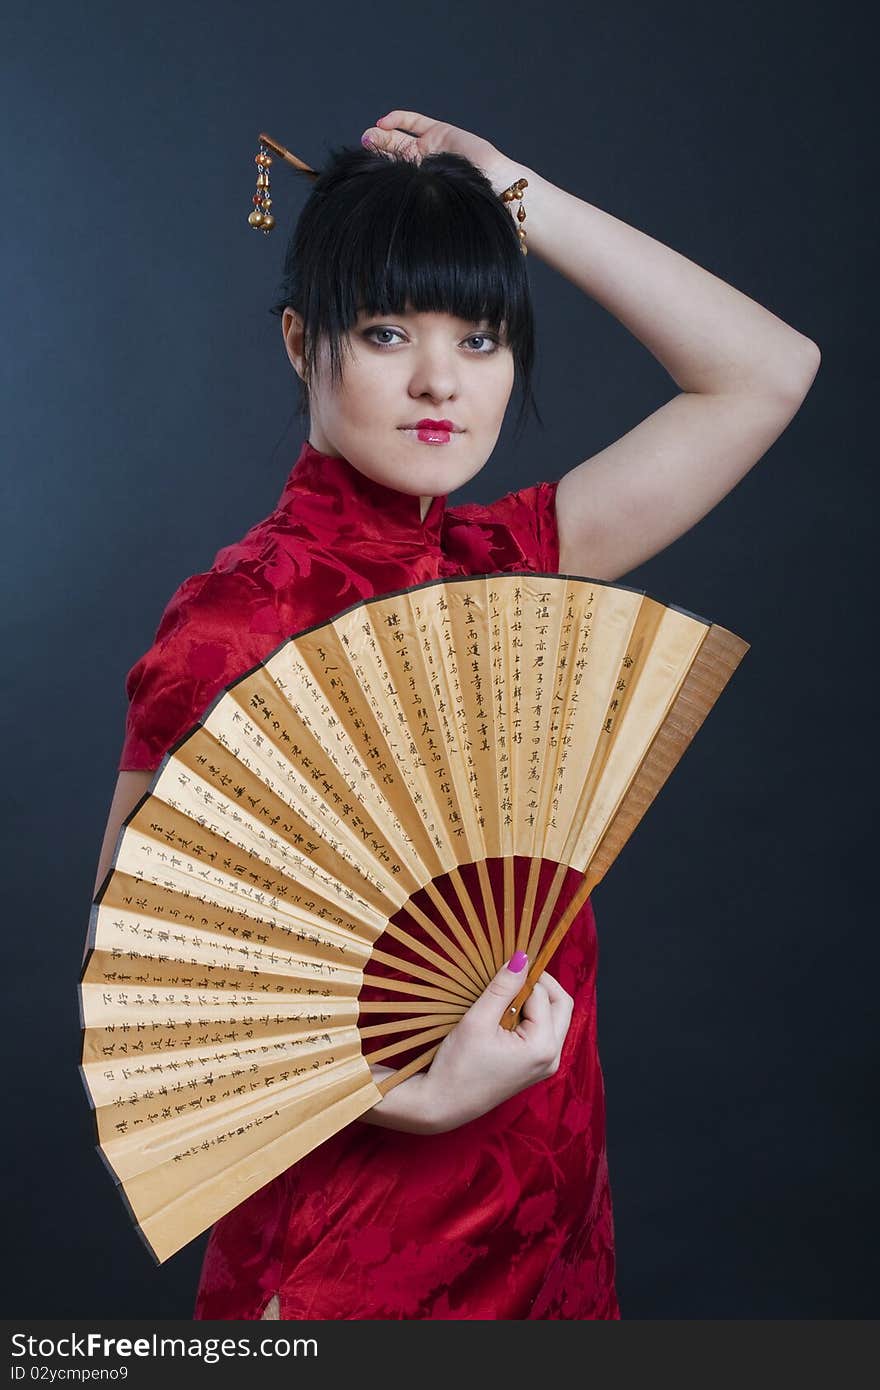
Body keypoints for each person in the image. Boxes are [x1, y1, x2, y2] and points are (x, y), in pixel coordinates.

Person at [90, 109, 820, 1320]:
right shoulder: (236, 622)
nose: (441, 381)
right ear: (298, 341)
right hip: (349, 1254)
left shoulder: (513, 563)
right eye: (387, 332)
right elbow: (142, 997)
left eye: (479, 339)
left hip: (552, 1230)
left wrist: (514, 192)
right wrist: (421, 1097)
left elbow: (767, 370)